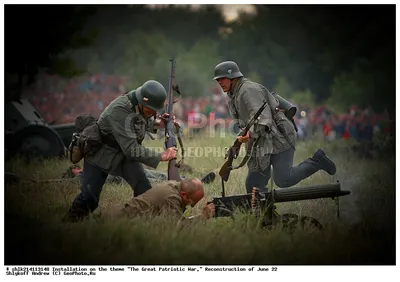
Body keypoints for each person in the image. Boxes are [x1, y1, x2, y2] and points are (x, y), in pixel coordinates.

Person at [213, 61, 337, 193]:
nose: (219, 82)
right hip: (262, 141)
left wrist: (249, 134)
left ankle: (317, 161)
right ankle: (263, 212)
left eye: (222, 78)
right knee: (254, 184)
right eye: (218, 79)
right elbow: (246, 122)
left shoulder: (247, 91)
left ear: (234, 77)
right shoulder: (233, 95)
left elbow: (264, 118)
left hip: (279, 137)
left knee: (284, 179)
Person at [63, 80, 178, 222]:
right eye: (150, 111)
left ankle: (145, 221)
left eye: (154, 111)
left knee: (145, 191)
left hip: (123, 155)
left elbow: (141, 120)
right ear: (142, 102)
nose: (152, 113)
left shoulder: (141, 105)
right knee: (89, 198)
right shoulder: (121, 109)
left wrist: (158, 123)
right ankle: (69, 223)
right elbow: (132, 149)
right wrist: (161, 156)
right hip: (101, 154)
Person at [103, 178, 215, 221]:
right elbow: (176, 228)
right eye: (191, 203)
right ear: (184, 195)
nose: (191, 206)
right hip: (110, 220)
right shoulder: (171, 197)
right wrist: (202, 218)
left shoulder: (175, 185)